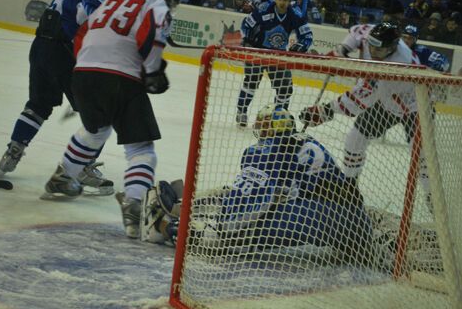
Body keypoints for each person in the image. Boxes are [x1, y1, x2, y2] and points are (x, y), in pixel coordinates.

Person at [141, 104, 373, 265]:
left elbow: (252, 203)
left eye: (264, 125)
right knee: (239, 196)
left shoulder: (268, 149)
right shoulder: (304, 142)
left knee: (227, 233)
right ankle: (185, 205)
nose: (260, 130)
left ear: (275, 128)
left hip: (314, 216)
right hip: (355, 224)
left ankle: (162, 225)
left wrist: (221, 229)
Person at [41, 0, 179, 241]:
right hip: (119, 76)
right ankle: (134, 206)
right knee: (141, 149)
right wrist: (152, 71)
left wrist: (88, 68)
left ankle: (62, 177)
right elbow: (152, 33)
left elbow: (82, 31)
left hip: (82, 71)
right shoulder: (156, 3)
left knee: (96, 130)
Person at [0, 0, 130, 194]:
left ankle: (15, 148)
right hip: (63, 52)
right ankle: (83, 168)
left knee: (39, 104)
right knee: (101, 114)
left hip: (40, 46)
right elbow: (84, 14)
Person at [299, 22, 434, 212]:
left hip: (416, 106)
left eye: (378, 49)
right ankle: (350, 186)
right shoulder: (375, 38)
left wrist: (325, 111)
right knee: (355, 137)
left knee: (422, 157)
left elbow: (359, 101)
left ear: (392, 48)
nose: (372, 50)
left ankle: (433, 200)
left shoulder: (397, 64)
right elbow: (358, 30)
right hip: (387, 102)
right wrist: (343, 48)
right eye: (370, 45)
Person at [235, 0, 313, 127]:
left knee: (285, 88)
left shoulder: (295, 14)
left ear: (290, 0)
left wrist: (302, 46)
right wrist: (246, 39)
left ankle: (278, 117)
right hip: (258, 52)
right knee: (251, 82)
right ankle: (241, 111)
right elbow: (246, 24)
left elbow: (307, 35)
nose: (282, 2)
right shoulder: (264, 9)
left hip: (279, 56)